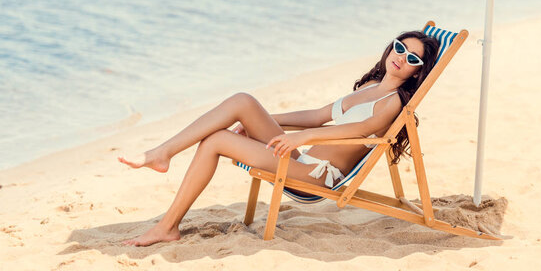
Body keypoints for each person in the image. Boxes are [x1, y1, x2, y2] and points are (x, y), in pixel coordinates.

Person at [118, 31, 440, 246]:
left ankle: (168, 227)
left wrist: (301, 140)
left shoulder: (394, 101)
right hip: (304, 159)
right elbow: (316, 115)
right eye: (400, 47)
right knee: (242, 101)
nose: (402, 57)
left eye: (413, 58)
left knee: (215, 141)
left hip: (315, 176)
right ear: (391, 47)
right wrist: (261, 120)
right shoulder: (371, 87)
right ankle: (162, 153)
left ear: (417, 71)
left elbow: (360, 130)